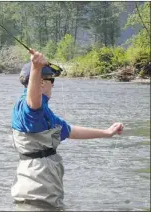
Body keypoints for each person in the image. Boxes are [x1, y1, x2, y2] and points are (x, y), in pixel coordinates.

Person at [10, 49, 124, 207]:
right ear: (41, 82)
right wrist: (36, 68)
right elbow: (33, 104)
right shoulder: (28, 109)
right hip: (35, 196)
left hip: (47, 195)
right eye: (52, 80)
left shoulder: (46, 114)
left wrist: (106, 132)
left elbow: (70, 131)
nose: (53, 86)